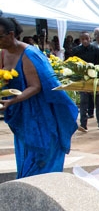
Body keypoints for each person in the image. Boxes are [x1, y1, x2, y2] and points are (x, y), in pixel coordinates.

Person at [0, 16, 78, 178]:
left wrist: (13, 100)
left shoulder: (30, 53)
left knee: (42, 153)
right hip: (20, 113)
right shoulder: (3, 53)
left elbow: (35, 86)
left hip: (39, 112)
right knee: (26, 153)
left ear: (11, 34)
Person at [71, 31, 99, 132]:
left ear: (90, 39)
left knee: (98, 102)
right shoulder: (76, 50)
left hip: (95, 77)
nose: (85, 41)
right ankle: (83, 124)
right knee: (83, 102)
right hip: (82, 78)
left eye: (87, 38)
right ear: (80, 40)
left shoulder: (96, 50)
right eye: (83, 39)